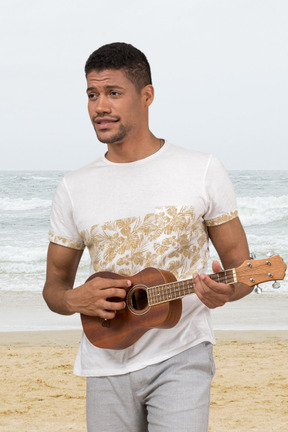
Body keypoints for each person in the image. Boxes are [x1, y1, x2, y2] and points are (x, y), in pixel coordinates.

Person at [43, 42, 252, 432]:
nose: (99, 106)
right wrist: (75, 299)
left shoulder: (201, 169)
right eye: (92, 94)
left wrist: (226, 293)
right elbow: (54, 289)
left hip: (183, 354)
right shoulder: (73, 187)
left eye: (113, 93)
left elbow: (241, 268)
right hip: (104, 359)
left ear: (147, 95)